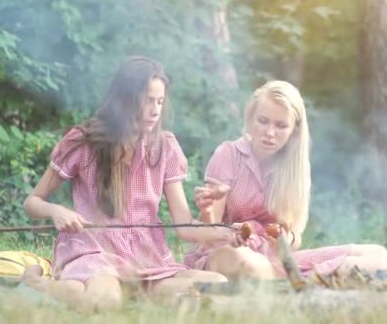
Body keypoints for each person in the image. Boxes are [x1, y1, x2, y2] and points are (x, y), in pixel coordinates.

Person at [20, 56, 237, 312]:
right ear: (124, 99)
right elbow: (31, 203)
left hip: (146, 258)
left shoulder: (165, 147)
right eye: (147, 100)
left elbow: (185, 227)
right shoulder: (83, 142)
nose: (155, 110)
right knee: (105, 301)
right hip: (95, 251)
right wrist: (56, 211)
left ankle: (92, 292)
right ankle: (36, 284)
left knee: (216, 285)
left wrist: (228, 231)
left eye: (159, 101)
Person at [184, 80, 387, 280]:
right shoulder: (228, 154)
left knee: (378, 255)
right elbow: (207, 235)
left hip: (274, 258)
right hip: (224, 253)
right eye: (263, 121)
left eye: (281, 125)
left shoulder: (296, 169)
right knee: (244, 261)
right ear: (249, 119)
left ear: (294, 131)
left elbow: (294, 240)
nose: (270, 133)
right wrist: (209, 211)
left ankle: (291, 277)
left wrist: (284, 237)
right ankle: (314, 276)